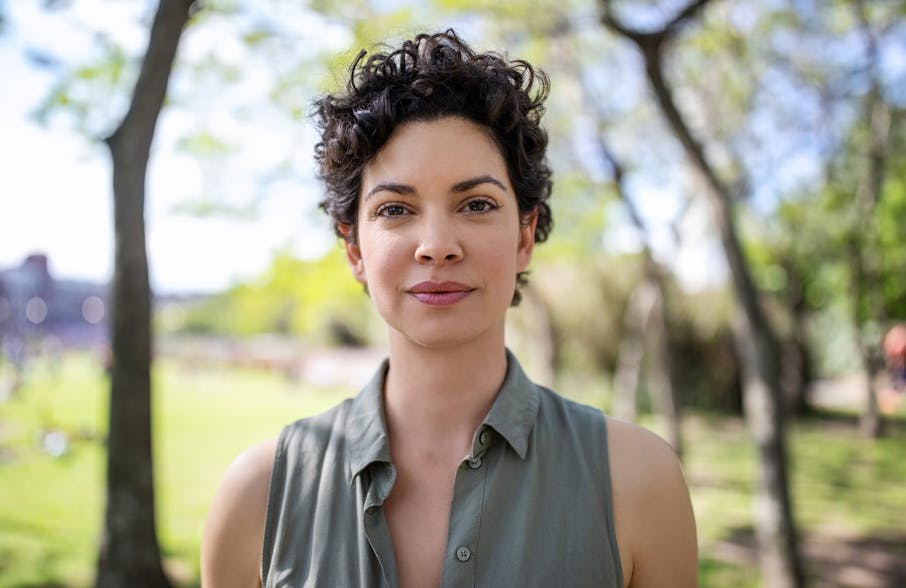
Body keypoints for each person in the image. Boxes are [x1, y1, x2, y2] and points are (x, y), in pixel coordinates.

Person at [202, 30, 697, 588]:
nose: (436, 246)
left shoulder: (638, 481)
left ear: (525, 236)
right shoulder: (257, 496)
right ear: (354, 248)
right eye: (395, 209)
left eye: (476, 204)